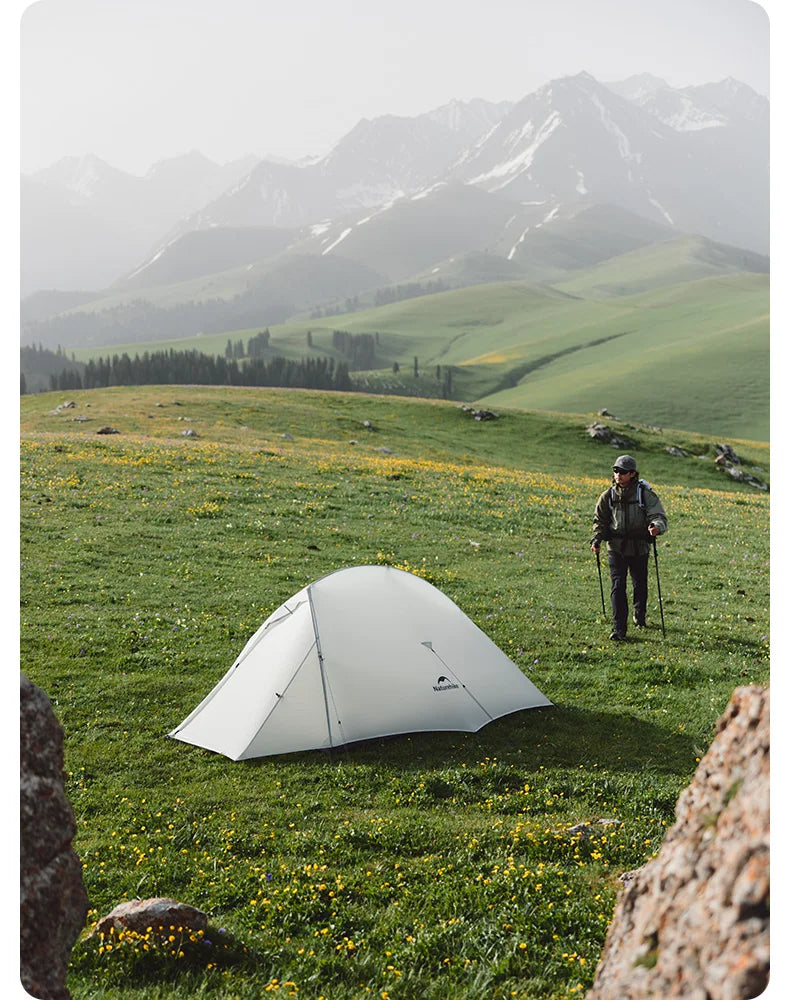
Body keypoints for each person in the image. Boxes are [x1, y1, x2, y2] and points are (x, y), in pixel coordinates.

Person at [590, 454, 668, 640]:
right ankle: (619, 629)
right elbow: (600, 520)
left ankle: (639, 615)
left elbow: (658, 515)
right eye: (616, 471)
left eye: (623, 472)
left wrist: (656, 527)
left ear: (633, 474)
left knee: (639, 584)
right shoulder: (608, 496)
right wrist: (596, 539)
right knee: (618, 586)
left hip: (639, 547)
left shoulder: (645, 494)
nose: (618, 474)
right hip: (615, 547)